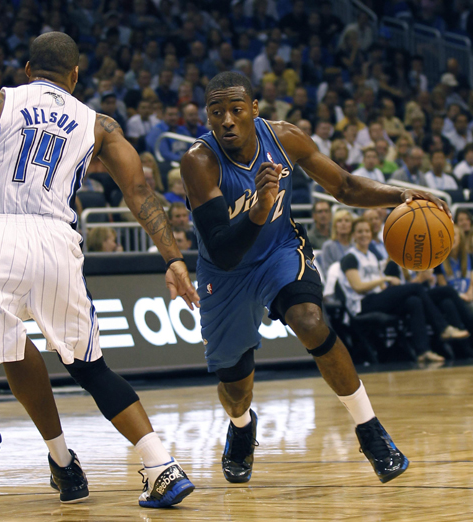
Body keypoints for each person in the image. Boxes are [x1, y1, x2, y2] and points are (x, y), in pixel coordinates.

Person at [0, 33, 199, 514]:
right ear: (76, 77)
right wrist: (173, 258)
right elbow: (139, 192)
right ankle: (162, 466)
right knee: (91, 368)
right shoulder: (100, 125)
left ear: (30, 68)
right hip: (58, 242)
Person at [180, 71, 452, 487]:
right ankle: (241, 427)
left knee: (309, 320)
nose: (227, 120)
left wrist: (399, 195)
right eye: (217, 112)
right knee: (235, 387)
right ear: (208, 116)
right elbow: (222, 249)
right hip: (226, 273)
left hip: (279, 252)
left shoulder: (286, 138)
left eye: (236, 110)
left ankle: (370, 430)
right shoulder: (199, 161)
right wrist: (258, 208)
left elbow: (343, 186)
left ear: (255, 109)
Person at [339, 218, 468, 364]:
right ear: (353, 235)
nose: (364, 234)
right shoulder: (350, 257)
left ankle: (423, 351)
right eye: (360, 231)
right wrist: (385, 280)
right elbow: (358, 287)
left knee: (414, 301)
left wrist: (390, 288)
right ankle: (443, 328)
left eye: (367, 231)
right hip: (362, 304)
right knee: (416, 288)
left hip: (377, 298)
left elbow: (380, 287)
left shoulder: (371, 256)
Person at [319, 210, 354, 276]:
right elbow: (326, 271)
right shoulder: (328, 246)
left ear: (351, 225)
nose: (343, 224)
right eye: (339, 221)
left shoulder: (355, 245)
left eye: (347, 221)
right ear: (335, 225)